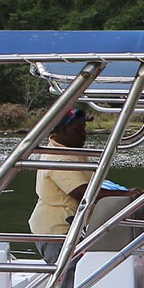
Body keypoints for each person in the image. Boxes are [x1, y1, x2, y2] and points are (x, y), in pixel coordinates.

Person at [30, 108, 94, 255]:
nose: (84, 133)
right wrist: (126, 195)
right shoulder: (60, 158)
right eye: (78, 129)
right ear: (64, 130)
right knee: (67, 273)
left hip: (66, 228)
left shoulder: (68, 150)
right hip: (56, 232)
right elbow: (82, 192)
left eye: (84, 128)